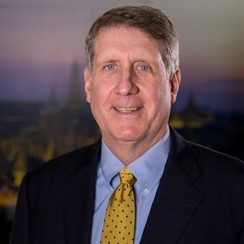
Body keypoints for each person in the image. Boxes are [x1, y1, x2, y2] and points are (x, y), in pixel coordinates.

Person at [11, 5, 244, 244]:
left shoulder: (235, 190)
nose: (125, 86)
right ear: (89, 85)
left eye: (144, 67)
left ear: (172, 85)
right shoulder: (40, 190)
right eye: (110, 67)